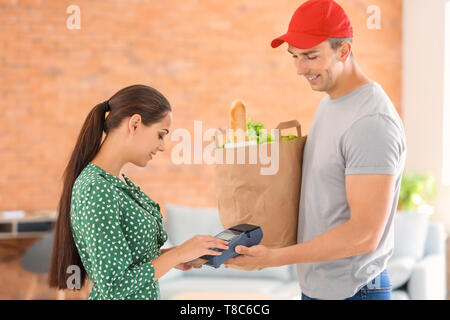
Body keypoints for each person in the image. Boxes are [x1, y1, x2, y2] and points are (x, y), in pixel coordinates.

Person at [226, 0, 406, 300]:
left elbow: (364, 234)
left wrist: (273, 259)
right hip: (318, 289)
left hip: (354, 292)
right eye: (294, 56)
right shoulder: (330, 103)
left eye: (310, 56)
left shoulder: (370, 122)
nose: (299, 68)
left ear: (344, 50)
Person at [48, 84, 229, 300]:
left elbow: (126, 263)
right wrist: (178, 254)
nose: (162, 146)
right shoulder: (96, 188)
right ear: (135, 124)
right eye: (160, 135)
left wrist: (172, 256)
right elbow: (114, 287)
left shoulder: (116, 183)